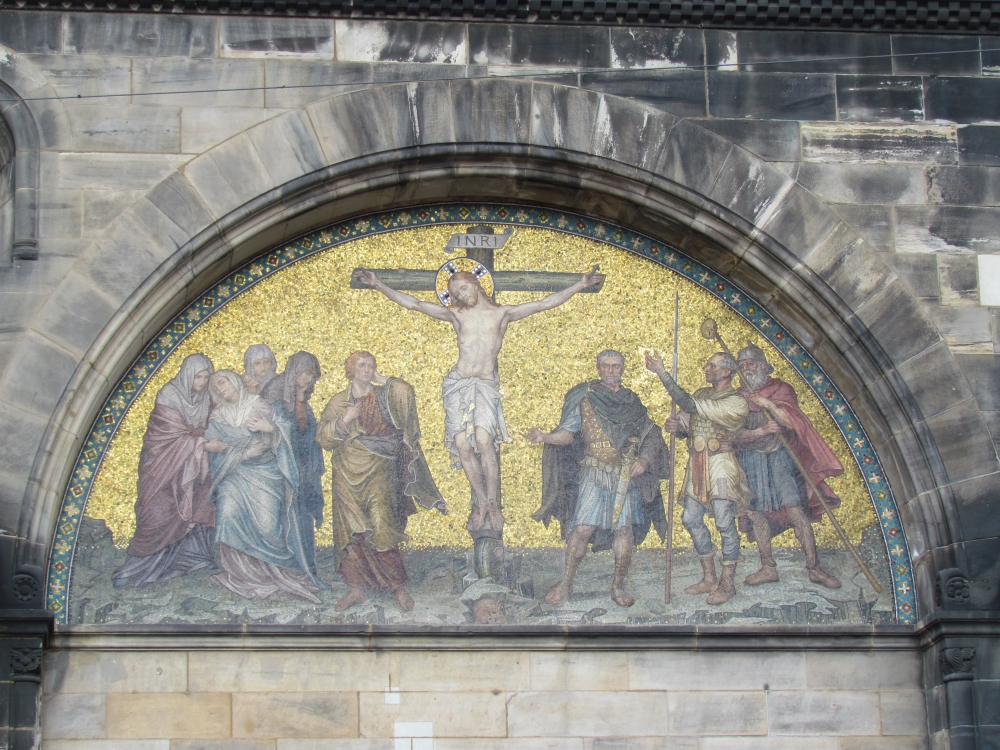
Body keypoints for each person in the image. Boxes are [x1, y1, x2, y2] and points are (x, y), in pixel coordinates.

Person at [353, 267, 599, 534]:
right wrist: (378, 284)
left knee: (484, 441)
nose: (459, 295)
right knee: (463, 445)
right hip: (457, 385)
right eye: (454, 293)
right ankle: (481, 501)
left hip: (485, 385)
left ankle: (493, 502)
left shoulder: (502, 314)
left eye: (462, 288)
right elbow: (415, 304)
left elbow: (544, 303)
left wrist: (580, 284)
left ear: (477, 284)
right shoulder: (456, 315)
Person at [526, 350, 668, 608]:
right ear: (598, 367)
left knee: (624, 530)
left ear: (622, 369)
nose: (611, 371)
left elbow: (651, 434)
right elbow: (568, 434)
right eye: (606, 366)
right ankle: (566, 582)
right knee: (582, 529)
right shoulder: (584, 397)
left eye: (615, 366)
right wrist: (545, 437)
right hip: (594, 471)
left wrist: (644, 461)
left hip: (625, 475)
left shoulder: (631, 401)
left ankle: (618, 585)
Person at [317, 351, 446, 612]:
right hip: (346, 472)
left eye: (371, 366)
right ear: (351, 369)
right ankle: (356, 590)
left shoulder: (384, 396)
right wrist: (346, 419)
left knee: (381, 523)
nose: (366, 370)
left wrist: (383, 379)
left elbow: (406, 393)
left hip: (380, 468)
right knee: (352, 530)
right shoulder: (339, 401)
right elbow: (323, 437)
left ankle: (398, 587)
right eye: (361, 366)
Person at [205, 370, 326, 603]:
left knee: (269, 526)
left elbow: (288, 434)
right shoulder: (217, 416)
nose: (220, 388)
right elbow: (213, 451)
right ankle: (243, 576)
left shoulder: (260, 405)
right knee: (228, 515)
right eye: (215, 387)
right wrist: (242, 454)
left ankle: (280, 573)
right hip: (234, 475)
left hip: (266, 473)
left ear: (234, 382)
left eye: (222, 382)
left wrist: (270, 428)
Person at [646, 350, 753, 606]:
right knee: (690, 518)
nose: (706, 369)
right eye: (707, 365)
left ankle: (727, 583)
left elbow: (691, 406)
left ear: (727, 372)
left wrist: (663, 374)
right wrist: (678, 427)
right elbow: (689, 422)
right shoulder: (702, 394)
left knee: (724, 521)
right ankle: (709, 577)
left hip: (721, 464)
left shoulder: (736, 401)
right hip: (697, 464)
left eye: (712, 366)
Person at [733, 342, 842, 589]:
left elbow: (793, 423)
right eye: (742, 365)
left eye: (751, 364)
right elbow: (732, 435)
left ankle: (814, 567)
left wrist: (768, 404)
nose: (747, 369)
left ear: (763, 366)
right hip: (751, 459)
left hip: (781, 455)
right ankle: (767, 567)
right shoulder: (737, 397)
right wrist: (759, 431)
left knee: (794, 507)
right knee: (756, 513)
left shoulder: (781, 389)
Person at [112, 354, 217, 587]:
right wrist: (202, 444)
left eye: (206, 377)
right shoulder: (169, 395)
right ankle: (134, 569)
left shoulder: (206, 398)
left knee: (201, 503)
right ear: (187, 375)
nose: (201, 382)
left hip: (193, 467)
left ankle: (193, 557)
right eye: (198, 377)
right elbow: (164, 436)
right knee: (157, 513)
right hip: (163, 469)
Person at [262, 351, 325, 576]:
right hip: (281, 466)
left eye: (312, 375)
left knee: (303, 511)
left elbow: (306, 429)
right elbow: (270, 429)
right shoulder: (275, 391)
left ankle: (305, 564)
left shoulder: (302, 396)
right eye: (306, 373)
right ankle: (288, 564)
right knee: (287, 512)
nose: (309, 379)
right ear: (295, 371)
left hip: (302, 464)